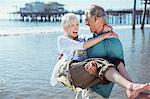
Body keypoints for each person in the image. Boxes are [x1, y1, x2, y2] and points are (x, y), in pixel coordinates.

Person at [51, 13, 149, 99]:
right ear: (65, 28)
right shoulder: (62, 39)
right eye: (72, 25)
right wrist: (104, 36)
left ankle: (130, 89)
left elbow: (93, 38)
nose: (76, 27)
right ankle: (130, 87)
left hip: (80, 69)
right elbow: (84, 46)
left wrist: (107, 30)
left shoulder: (81, 38)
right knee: (100, 63)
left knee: (113, 61)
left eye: (77, 24)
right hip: (68, 71)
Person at [84, 4, 150, 98]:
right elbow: (119, 66)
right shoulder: (110, 40)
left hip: (96, 93)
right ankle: (131, 90)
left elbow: (118, 68)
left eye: (87, 19)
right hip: (93, 90)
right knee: (118, 64)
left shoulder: (103, 42)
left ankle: (131, 89)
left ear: (95, 18)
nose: (85, 22)